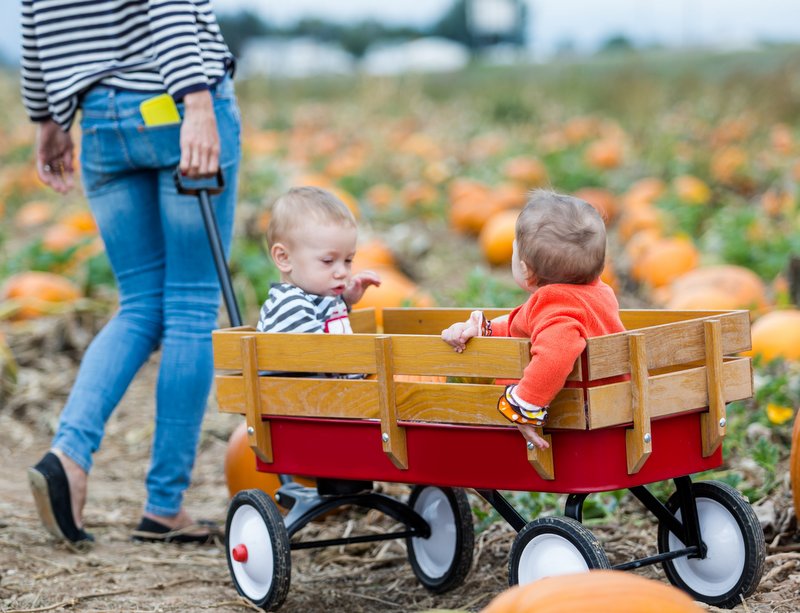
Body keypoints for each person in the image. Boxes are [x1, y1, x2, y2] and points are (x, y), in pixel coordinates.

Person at [21, 0, 241, 545]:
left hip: (99, 119)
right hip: (172, 101)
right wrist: (196, 101)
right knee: (191, 304)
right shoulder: (187, 99)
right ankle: (164, 505)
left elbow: (33, 22)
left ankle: (68, 458)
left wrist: (47, 118)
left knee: (139, 303)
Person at [441, 190, 625, 450]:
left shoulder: (556, 308)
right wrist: (487, 330)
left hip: (580, 420)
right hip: (605, 406)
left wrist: (525, 405)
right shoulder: (596, 293)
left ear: (525, 269)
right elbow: (528, 327)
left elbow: (556, 353)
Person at [257, 186, 381, 344]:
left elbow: (328, 323)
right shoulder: (291, 307)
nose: (342, 272)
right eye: (328, 261)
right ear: (284, 258)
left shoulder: (311, 299)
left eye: (348, 260)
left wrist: (345, 300)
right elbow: (322, 355)